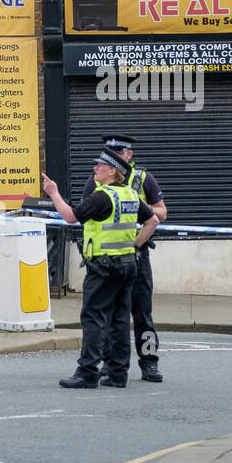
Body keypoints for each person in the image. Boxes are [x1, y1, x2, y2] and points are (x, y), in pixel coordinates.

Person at [42, 149, 158, 388]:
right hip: (128, 265)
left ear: (113, 171)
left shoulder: (101, 196)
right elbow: (153, 221)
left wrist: (53, 193)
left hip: (104, 267)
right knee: (119, 318)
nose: (95, 169)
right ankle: (118, 373)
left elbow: (70, 217)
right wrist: (135, 246)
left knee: (94, 317)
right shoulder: (130, 195)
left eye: (100, 166)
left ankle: (87, 371)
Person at [83, 133, 168, 383]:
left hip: (137, 256)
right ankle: (112, 365)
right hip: (109, 258)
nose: (113, 159)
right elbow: (85, 213)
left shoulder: (143, 179)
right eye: (108, 154)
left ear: (128, 155)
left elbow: (161, 212)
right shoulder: (96, 182)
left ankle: (149, 363)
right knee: (111, 315)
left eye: (118, 154)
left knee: (142, 313)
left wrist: (139, 208)